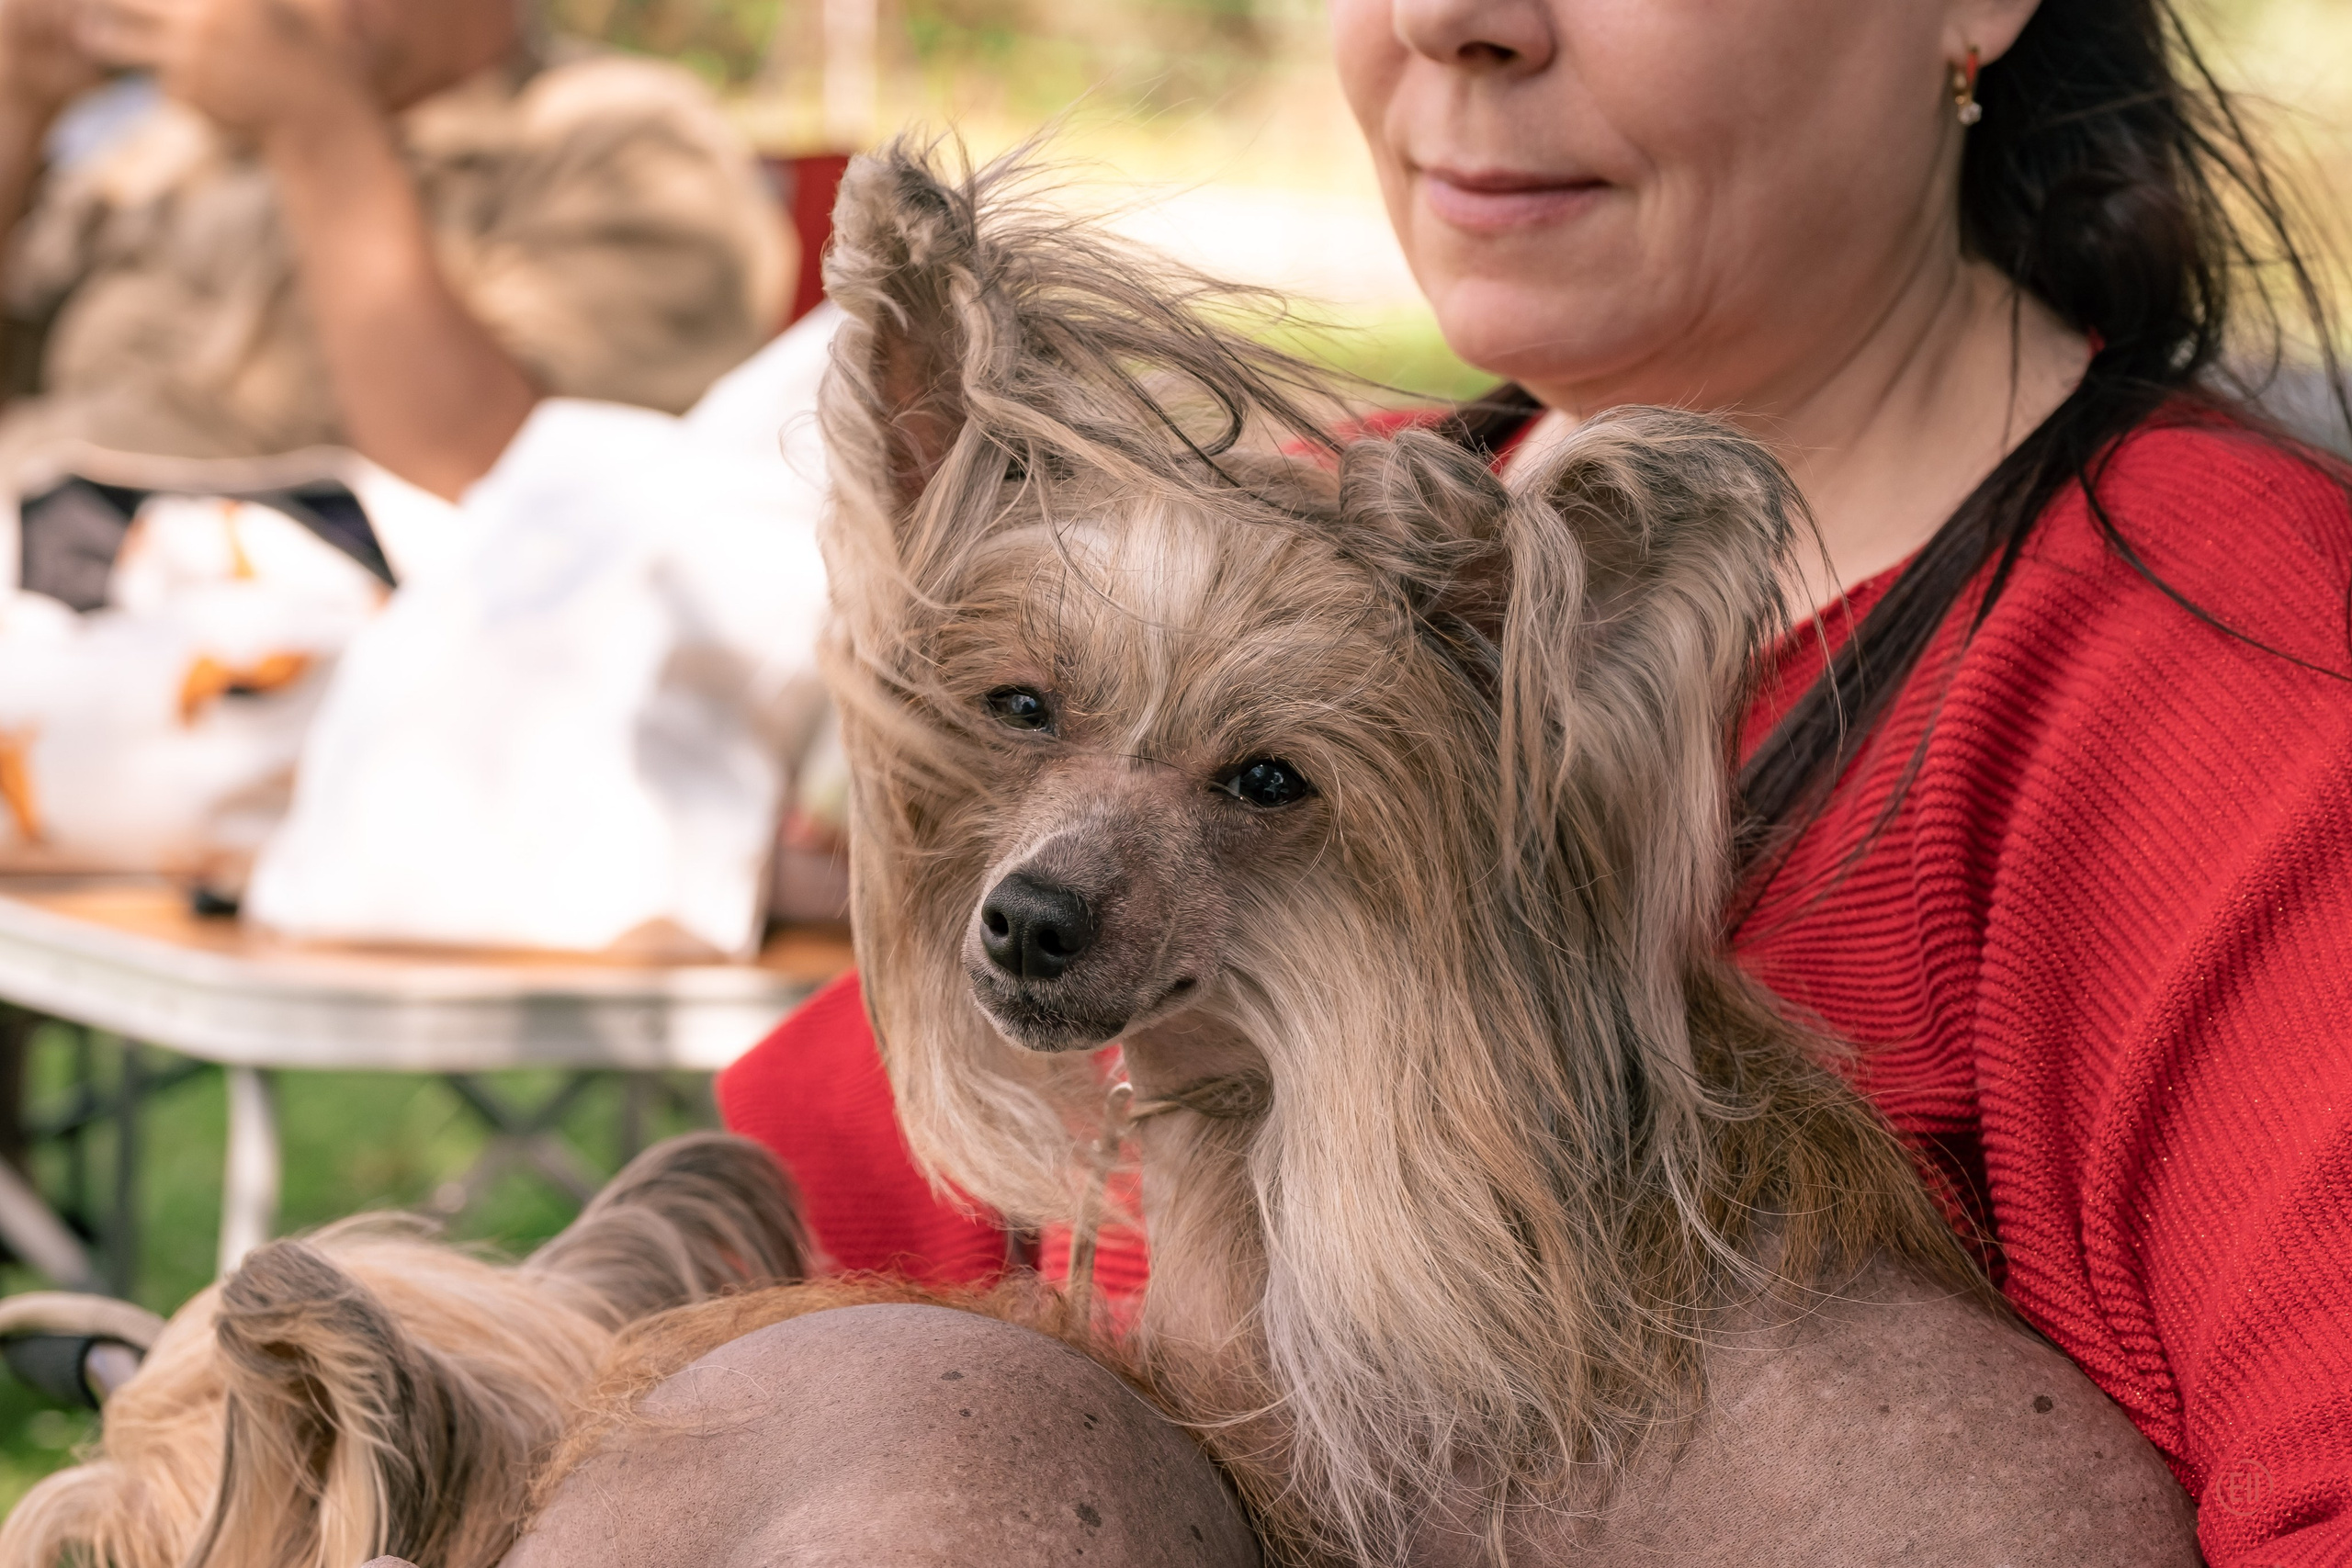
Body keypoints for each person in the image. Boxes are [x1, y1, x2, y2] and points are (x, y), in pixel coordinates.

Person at [717, 0, 2352, 1560]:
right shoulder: (1261, 569)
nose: (1457, 20)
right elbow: (812, 1207)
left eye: (1272, 783)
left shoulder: (2237, 674)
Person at [0, 0, 788, 504]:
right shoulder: (178, 143)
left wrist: (318, 132)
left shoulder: (627, 140)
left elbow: (499, 494)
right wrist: (20, 107)